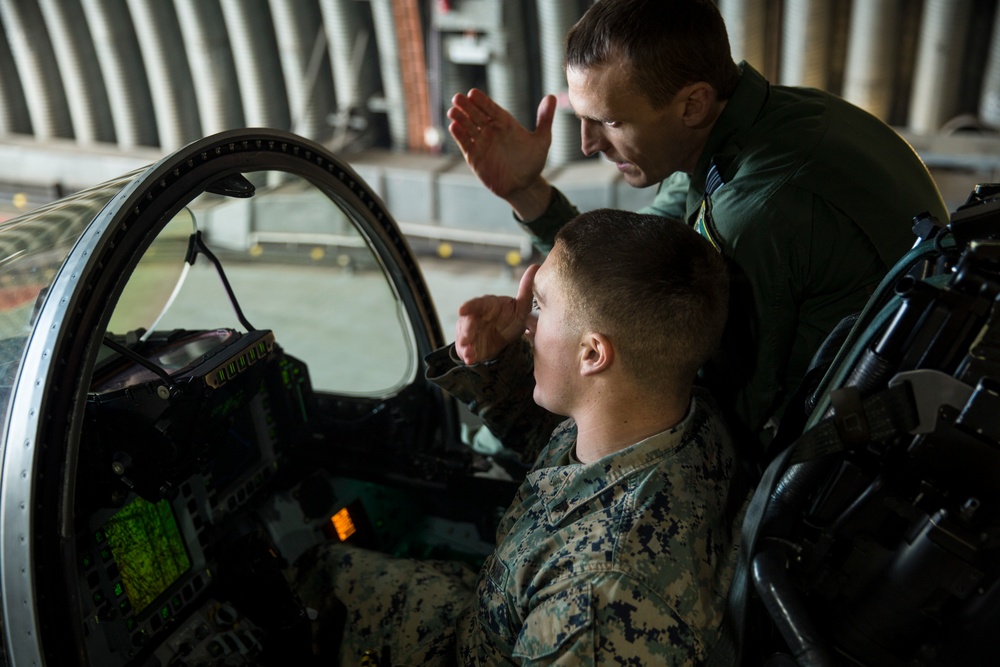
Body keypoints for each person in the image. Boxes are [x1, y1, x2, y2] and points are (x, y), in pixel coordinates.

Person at [447, 0, 950, 453]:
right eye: (583, 118)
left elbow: (706, 418)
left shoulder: (753, 212)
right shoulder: (760, 125)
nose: (587, 144)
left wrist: (510, 386)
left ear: (693, 104)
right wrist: (527, 191)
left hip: (824, 462)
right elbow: (621, 272)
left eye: (610, 122)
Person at [289, 209, 746, 665]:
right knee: (322, 572)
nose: (526, 320)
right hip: (492, 618)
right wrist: (495, 366)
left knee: (300, 592)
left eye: (542, 306)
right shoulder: (671, 412)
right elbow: (567, 457)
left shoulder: (595, 608)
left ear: (591, 353)